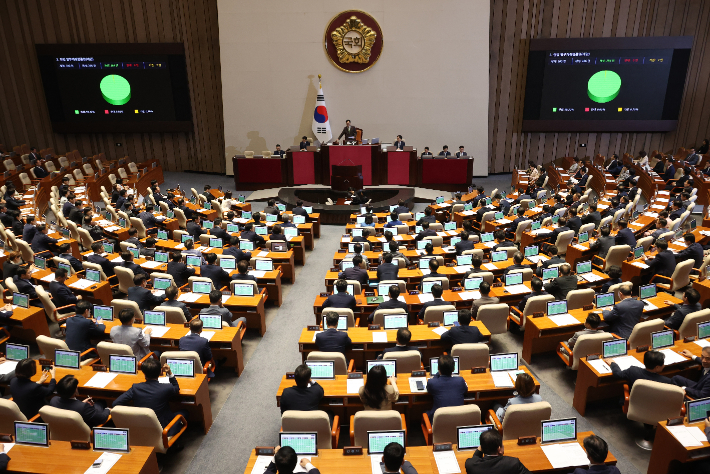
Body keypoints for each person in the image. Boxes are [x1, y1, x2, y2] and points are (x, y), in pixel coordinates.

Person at [114, 358, 187, 436]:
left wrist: (133, 411)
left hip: (139, 425)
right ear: (160, 372)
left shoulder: (135, 388)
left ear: (144, 373)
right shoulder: (166, 388)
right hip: (162, 428)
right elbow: (176, 388)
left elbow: (116, 403)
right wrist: (169, 372)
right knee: (185, 412)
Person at [464, 429, 530, 474]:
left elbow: (474, 460)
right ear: (499, 449)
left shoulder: (470, 465)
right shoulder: (513, 463)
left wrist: (479, 450)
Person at [426, 355, 467, 419]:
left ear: (438, 368)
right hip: (458, 420)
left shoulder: (432, 382)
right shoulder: (460, 381)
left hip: (439, 422)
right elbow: (465, 390)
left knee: (426, 412)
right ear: (453, 369)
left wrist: (437, 375)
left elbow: (429, 390)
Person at [607, 349, 672, 388]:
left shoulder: (633, 371)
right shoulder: (666, 381)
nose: (664, 365)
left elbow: (617, 374)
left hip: (635, 402)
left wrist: (613, 363)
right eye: (663, 364)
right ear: (657, 367)